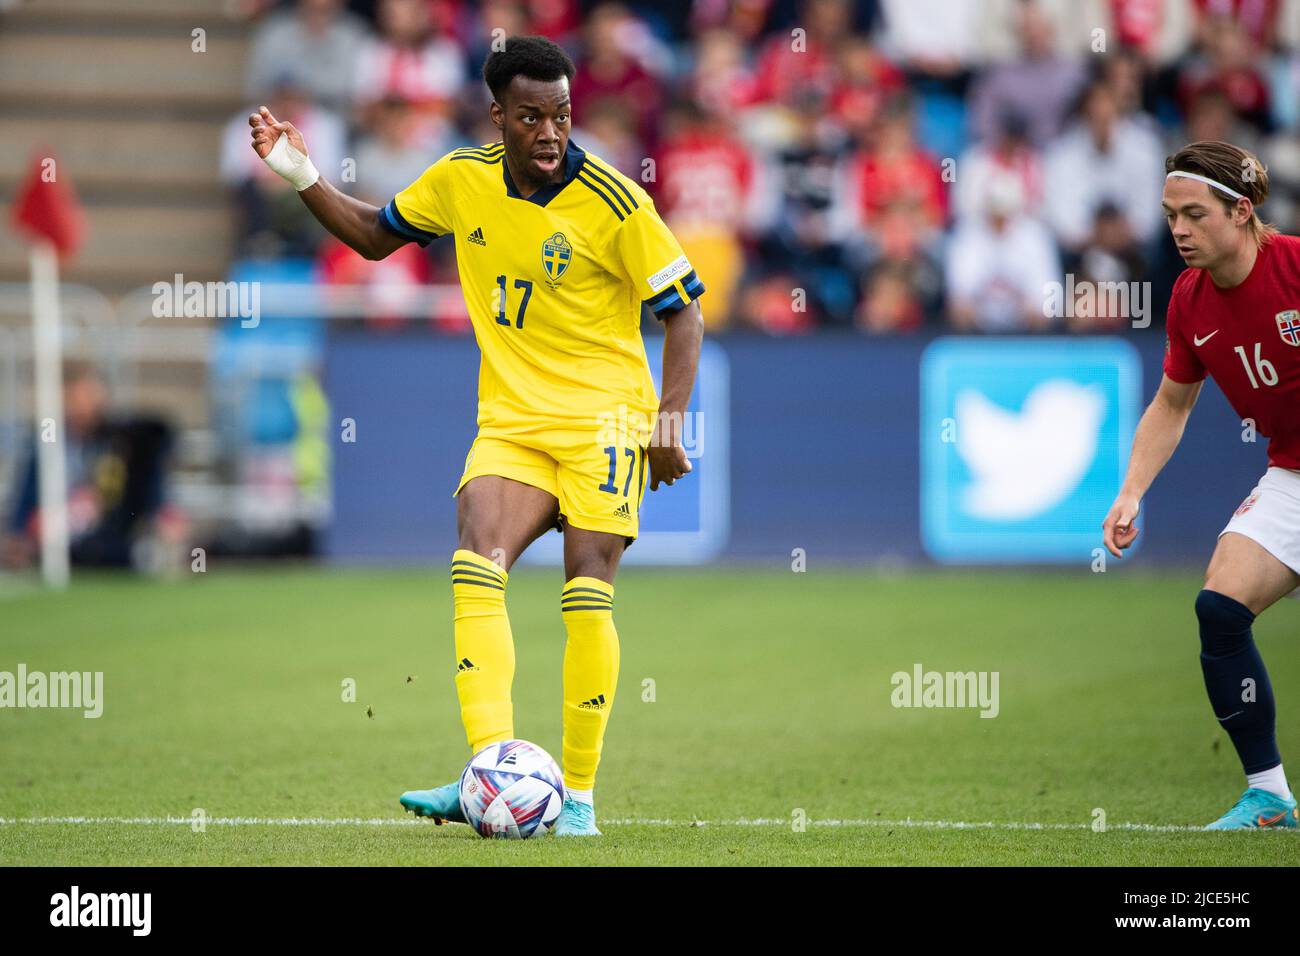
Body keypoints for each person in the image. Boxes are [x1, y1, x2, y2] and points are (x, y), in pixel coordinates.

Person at [248, 35, 705, 836]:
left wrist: (669, 418)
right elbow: (372, 235)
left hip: (603, 417)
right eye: (531, 116)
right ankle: (490, 774)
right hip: (513, 420)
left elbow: (684, 309)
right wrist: (301, 175)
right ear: (498, 117)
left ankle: (583, 799)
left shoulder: (616, 203)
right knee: (475, 559)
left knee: (586, 585)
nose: (552, 131)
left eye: (562, 114)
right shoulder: (462, 180)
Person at [1103, 140, 1299, 830]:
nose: (1179, 230)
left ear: (1241, 211)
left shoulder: (1296, 268)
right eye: (1169, 216)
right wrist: (1132, 491)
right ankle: (1270, 797)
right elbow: (1172, 404)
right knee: (1219, 608)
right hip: (1293, 476)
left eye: (1193, 214)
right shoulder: (1189, 300)